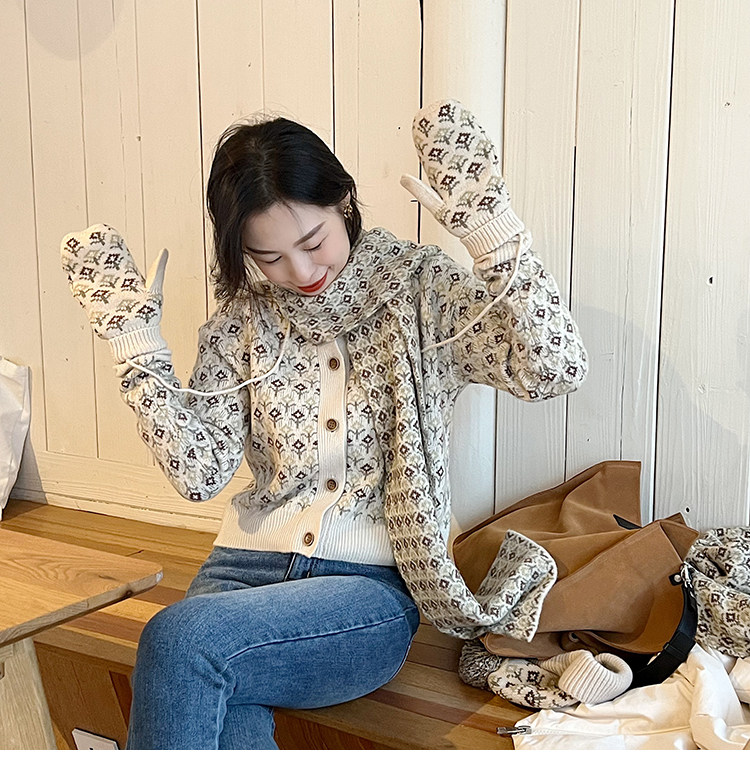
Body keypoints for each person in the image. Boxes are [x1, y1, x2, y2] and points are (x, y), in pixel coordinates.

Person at [60, 99, 588, 749]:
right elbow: (200, 475)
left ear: (343, 201)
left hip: (363, 592)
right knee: (221, 705)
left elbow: (552, 370)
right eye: (268, 257)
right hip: (238, 573)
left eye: (313, 243)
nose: (301, 273)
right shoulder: (242, 323)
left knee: (180, 643)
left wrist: (492, 234)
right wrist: (136, 349)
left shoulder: (419, 290)